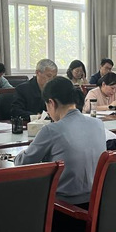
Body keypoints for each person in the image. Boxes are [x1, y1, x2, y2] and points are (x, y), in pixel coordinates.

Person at [14, 77, 106, 205]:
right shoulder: (98, 123)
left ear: (51, 103)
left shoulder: (51, 130)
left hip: (64, 205)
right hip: (96, 201)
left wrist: (20, 154)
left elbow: (23, 162)